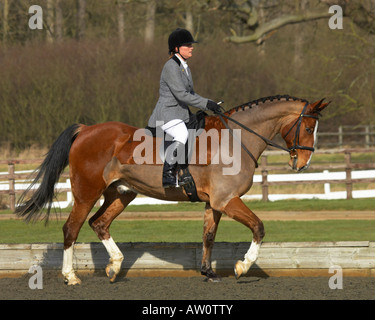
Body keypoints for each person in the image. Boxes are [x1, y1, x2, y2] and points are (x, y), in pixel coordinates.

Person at [147, 28, 221, 188]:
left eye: (191, 44)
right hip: (167, 113)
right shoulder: (171, 67)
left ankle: (189, 172)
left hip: (180, 113)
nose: (191, 47)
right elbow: (181, 95)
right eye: (187, 45)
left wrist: (209, 104)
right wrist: (206, 103)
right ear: (176, 48)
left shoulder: (184, 67)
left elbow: (191, 93)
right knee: (182, 134)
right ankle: (168, 174)